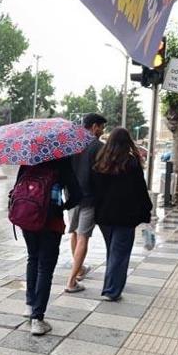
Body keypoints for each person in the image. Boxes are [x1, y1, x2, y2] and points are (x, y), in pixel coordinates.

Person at [15, 158, 81, 335]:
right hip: (51, 222)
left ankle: (29, 306)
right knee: (45, 267)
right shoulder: (62, 161)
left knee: (33, 258)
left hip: (27, 218)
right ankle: (37, 318)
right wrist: (61, 205)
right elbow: (76, 195)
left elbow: (17, 188)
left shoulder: (28, 159)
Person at [92, 128, 153, 302]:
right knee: (120, 253)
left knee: (112, 250)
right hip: (126, 216)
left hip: (104, 215)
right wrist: (146, 211)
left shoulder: (101, 161)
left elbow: (95, 190)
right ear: (128, 142)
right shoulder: (131, 163)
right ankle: (111, 290)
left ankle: (110, 284)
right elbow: (140, 190)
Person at [65, 113, 107, 293]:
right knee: (83, 237)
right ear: (95, 126)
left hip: (72, 196)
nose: (103, 131)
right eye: (102, 127)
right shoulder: (99, 146)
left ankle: (80, 269)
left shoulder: (72, 145)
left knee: (74, 233)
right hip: (89, 198)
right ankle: (72, 281)